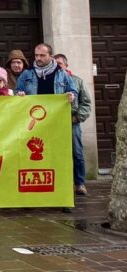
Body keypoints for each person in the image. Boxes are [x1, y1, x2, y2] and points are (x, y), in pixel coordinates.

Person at [54, 53, 92, 196]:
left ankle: (80, 183)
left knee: (77, 153)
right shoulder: (50, 81)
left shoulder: (77, 81)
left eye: (59, 64)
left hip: (72, 123)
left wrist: (76, 118)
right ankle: (59, 183)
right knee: (54, 154)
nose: (57, 67)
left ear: (66, 65)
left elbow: (86, 103)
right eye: (54, 65)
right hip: (53, 124)